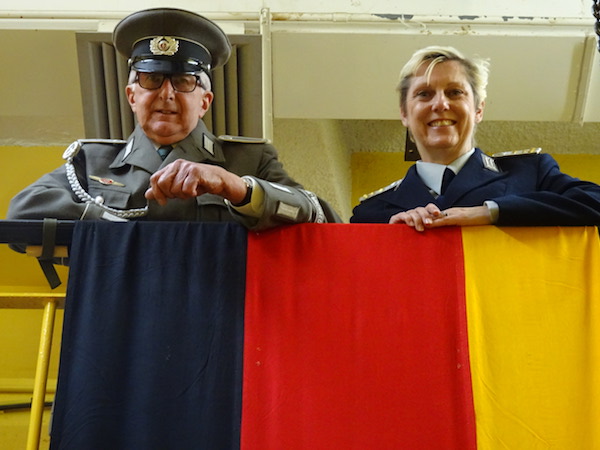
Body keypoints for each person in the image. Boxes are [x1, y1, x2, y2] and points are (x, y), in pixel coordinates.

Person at [6, 7, 340, 233]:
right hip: (123, 310)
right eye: (152, 79)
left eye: (183, 81)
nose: (166, 94)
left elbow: (323, 219)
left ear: (205, 102)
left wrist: (237, 187)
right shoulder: (94, 162)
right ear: (131, 96)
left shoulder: (249, 161)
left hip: (219, 308)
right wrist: (110, 226)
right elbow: (23, 212)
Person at [350, 45, 600, 229]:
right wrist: (391, 238)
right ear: (404, 114)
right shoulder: (372, 213)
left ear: (479, 109)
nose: (440, 104)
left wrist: (491, 212)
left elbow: (595, 201)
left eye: (454, 92)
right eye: (424, 94)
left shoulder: (530, 173)